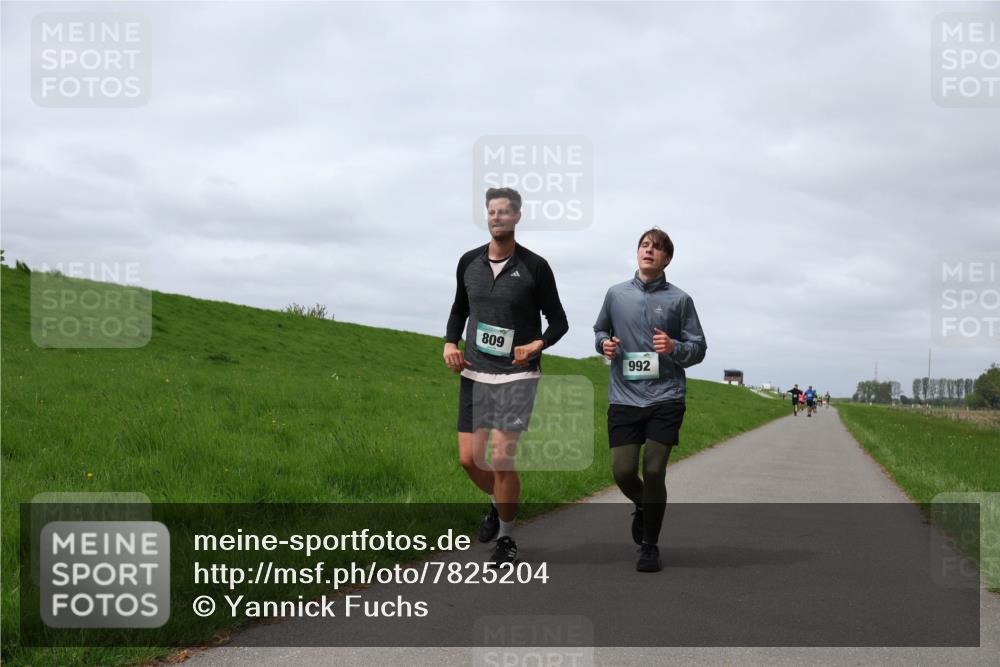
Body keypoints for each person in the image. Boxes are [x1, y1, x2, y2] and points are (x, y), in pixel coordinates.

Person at [443, 187, 568, 566]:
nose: (497, 217)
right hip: (475, 372)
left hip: (517, 375)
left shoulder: (535, 267)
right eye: (492, 212)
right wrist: (450, 343)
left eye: (504, 212)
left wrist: (536, 345)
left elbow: (559, 321)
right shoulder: (469, 262)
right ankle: (499, 506)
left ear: (517, 217)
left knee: (501, 459)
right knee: (469, 459)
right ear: (487, 217)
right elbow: (458, 310)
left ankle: (508, 539)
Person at [593, 228, 707, 573]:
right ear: (637, 252)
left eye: (657, 248)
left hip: (666, 396)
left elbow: (699, 348)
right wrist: (604, 346)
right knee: (623, 471)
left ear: (667, 258)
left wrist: (675, 348)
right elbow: (599, 331)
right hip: (625, 396)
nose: (649, 251)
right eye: (644, 245)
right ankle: (646, 507)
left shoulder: (680, 300)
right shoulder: (616, 294)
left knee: (654, 470)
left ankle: (649, 546)